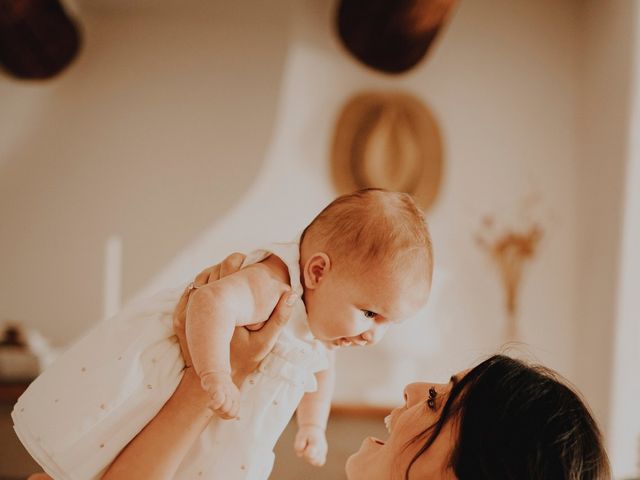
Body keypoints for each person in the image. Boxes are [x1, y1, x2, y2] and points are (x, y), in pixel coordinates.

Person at [15, 188, 434, 480]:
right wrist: (215, 374)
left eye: (387, 323)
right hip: (169, 384)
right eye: (370, 313)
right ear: (318, 270)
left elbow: (321, 371)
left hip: (219, 427)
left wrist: (312, 425)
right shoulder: (273, 285)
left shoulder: (322, 326)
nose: (372, 335)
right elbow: (209, 302)